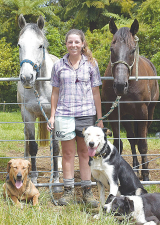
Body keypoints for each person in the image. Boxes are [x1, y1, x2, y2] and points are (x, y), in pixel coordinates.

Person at [47, 29, 103, 207]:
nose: (73, 45)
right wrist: (52, 116)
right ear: (66, 44)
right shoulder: (58, 66)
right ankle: (69, 192)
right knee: (68, 154)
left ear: (82, 44)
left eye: (76, 42)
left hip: (86, 114)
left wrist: (99, 118)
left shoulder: (91, 64)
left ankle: (88, 193)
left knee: (85, 154)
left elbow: (96, 93)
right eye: (70, 42)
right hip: (64, 115)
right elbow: (55, 93)